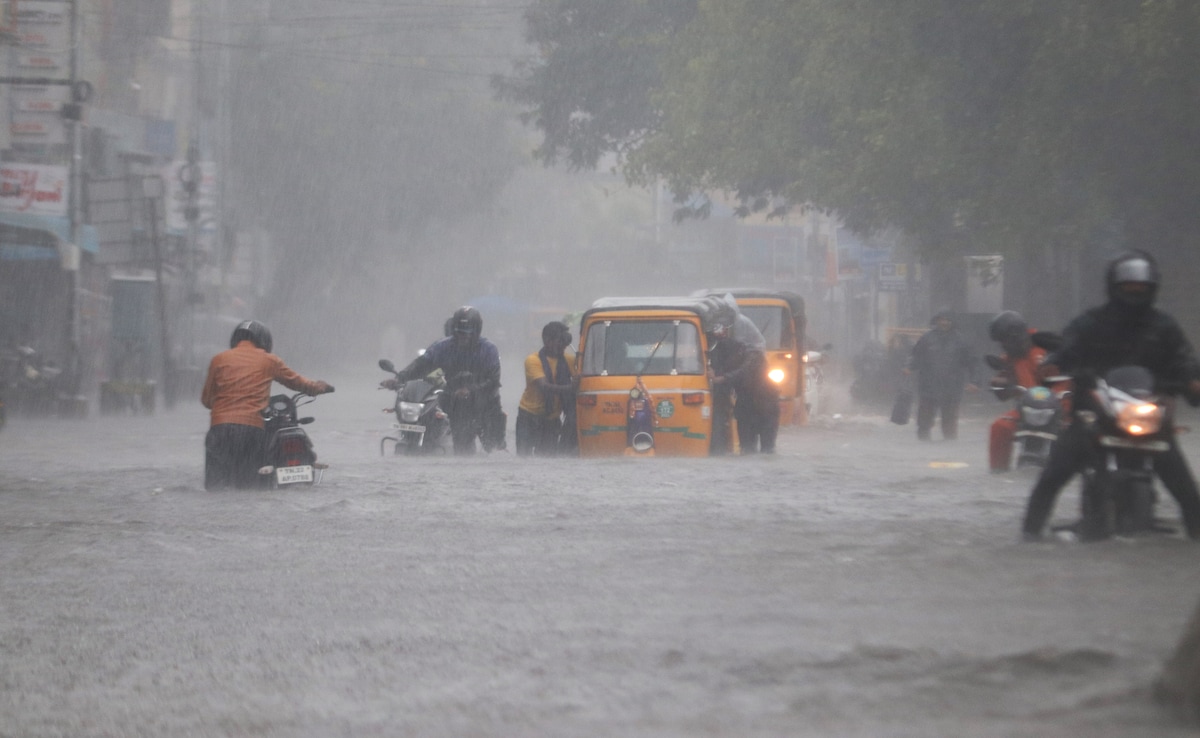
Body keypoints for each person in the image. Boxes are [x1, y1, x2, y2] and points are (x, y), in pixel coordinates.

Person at [1021, 250, 1200, 540]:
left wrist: (1192, 381)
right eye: (1129, 287)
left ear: (1152, 289)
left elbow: (1184, 359)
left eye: (1141, 287)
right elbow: (1066, 348)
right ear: (1114, 288)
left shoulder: (1164, 327)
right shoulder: (1091, 323)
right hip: (1095, 413)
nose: (1135, 292)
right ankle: (1028, 536)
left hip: (1148, 415)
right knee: (1052, 476)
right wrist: (1053, 363)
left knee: (1187, 491)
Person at [200, 320, 333, 490]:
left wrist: (226, 405)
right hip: (251, 431)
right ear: (264, 341)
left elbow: (206, 400)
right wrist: (318, 387)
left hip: (220, 431)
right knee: (252, 488)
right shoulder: (269, 361)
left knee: (216, 489)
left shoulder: (218, 360)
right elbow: (298, 382)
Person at [383, 306, 507, 455]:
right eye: (459, 333)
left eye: (467, 334)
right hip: (453, 404)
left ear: (476, 332)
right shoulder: (442, 348)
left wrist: (470, 390)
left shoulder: (489, 350)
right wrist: (399, 378)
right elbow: (420, 365)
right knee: (460, 442)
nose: (463, 337)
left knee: (493, 448)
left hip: (485, 404)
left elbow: (493, 381)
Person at [986, 310, 1052, 472]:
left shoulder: (1044, 349)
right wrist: (999, 384)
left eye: (1005, 341)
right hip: (1026, 410)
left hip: (1057, 409)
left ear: (1014, 336)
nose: (1003, 345)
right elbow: (1003, 378)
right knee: (999, 427)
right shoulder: (1010, 356)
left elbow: (1063, 380)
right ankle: (998, 472)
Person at [707, 313, 780, 455]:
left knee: (767, 449)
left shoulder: (755, 355)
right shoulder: (727, 351)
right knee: (746, 449)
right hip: (745, 407)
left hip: (765, 407)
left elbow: (744, 372)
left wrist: (721, 378)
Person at [907, 309, 978, 441]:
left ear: (952, 322)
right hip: (928, 386)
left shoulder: (961, 341)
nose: (944, 323)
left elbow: (972, 361)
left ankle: (950, 449)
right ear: (937, 321)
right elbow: (916, 356)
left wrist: (974, 381)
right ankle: (923, 445)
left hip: (952, 387)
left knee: (950, 421)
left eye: (947, 320)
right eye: (941, 320)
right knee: (924, 421)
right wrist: (909, 367)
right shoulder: (927, 338)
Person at [516, 321, 575, 457]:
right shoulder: (532, 360)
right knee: (523, 458)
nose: (563, 346)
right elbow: (544, 386)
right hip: (529, 417)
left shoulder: (569, 361)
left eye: (564, 342)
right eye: (559, 342)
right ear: (547, 341)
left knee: (547, 459)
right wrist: (571, 388)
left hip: (552, 419)